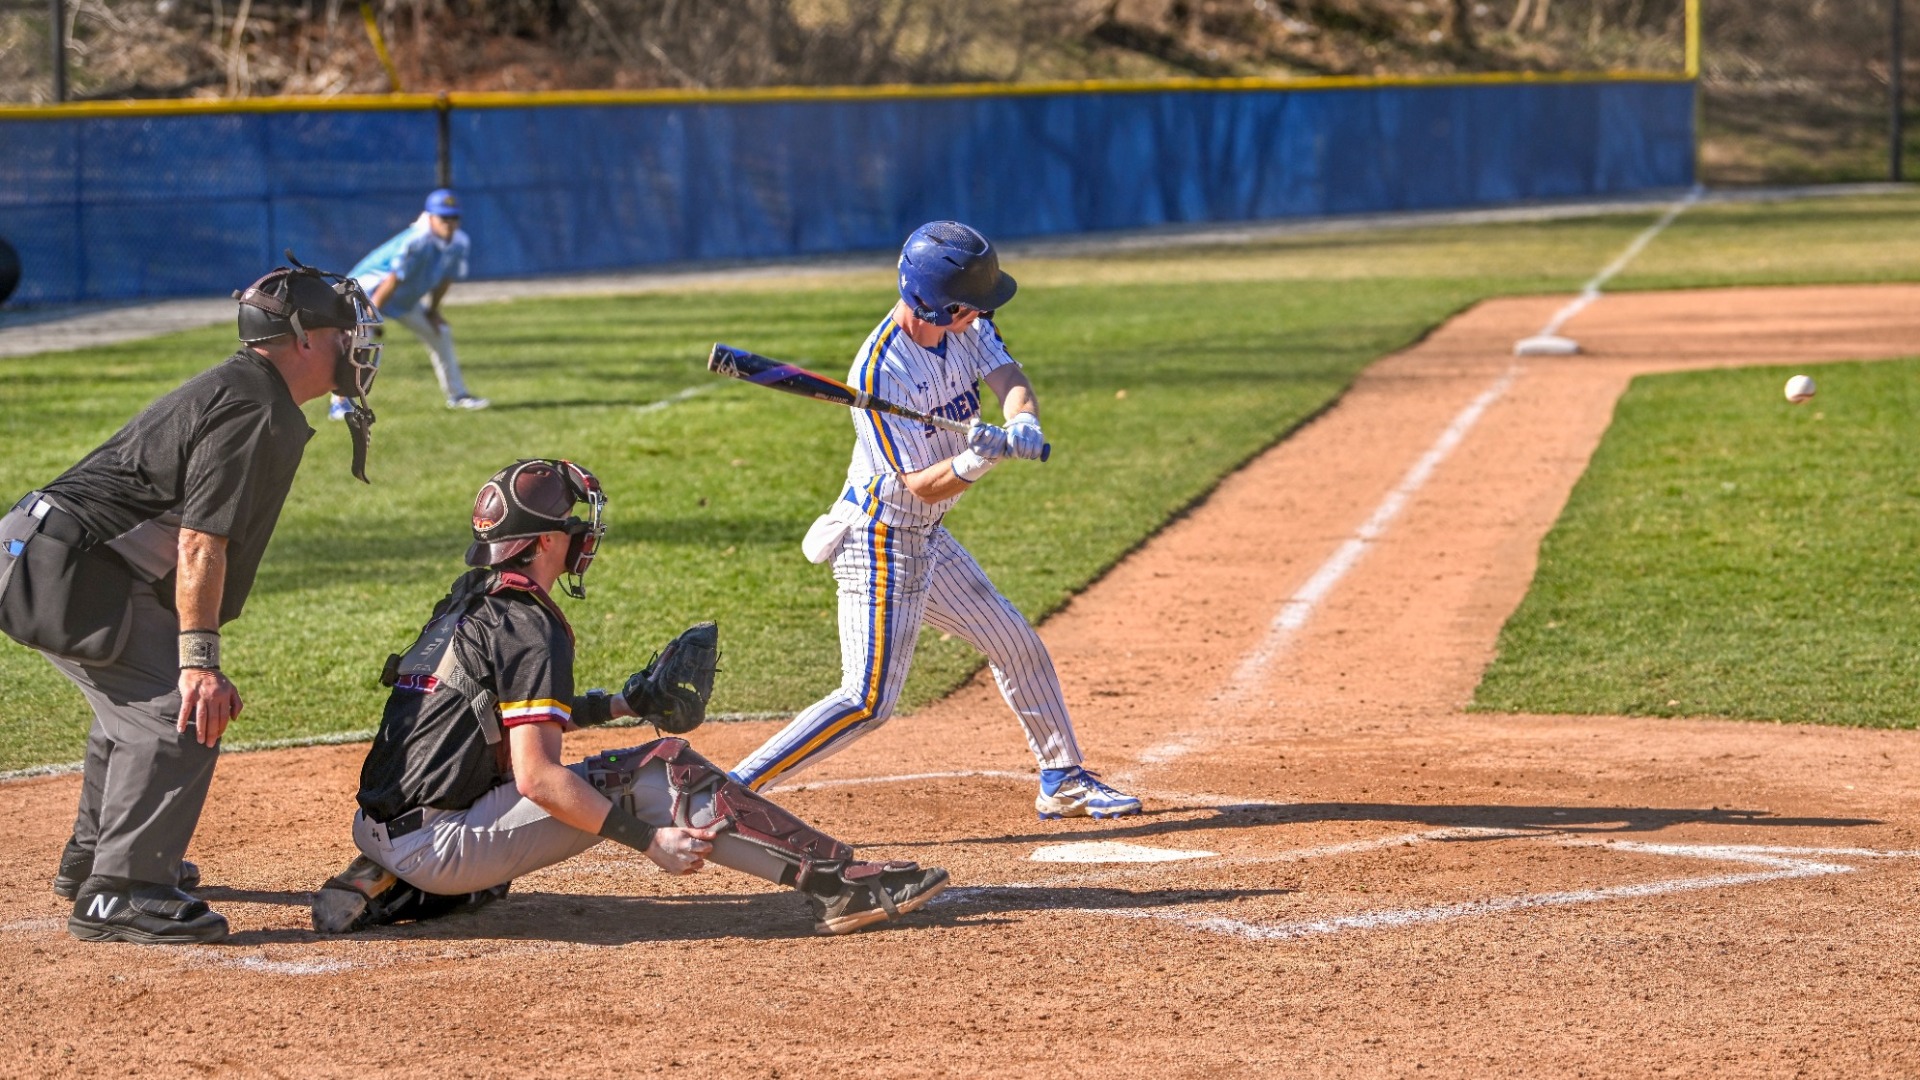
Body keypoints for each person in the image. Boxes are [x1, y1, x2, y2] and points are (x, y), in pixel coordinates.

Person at [310, 459, 949, 937]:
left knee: (582, 764)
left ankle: (396, 885)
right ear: (548, 540)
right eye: (575, 523)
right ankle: (837, 884)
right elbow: (537, 778)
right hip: (442, 842)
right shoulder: (531, 625)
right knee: (660, 769)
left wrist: (621, 702)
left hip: (383, 826)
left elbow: (497, 715)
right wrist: (647, 842)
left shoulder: (471, 599)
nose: (587, 533)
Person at [0, 259, 383, 945]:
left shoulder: (251, 393)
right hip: (63, 568)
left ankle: (98, 856)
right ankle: (120, 894)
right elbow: (202, 543)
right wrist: (199, 662)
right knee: (176, 714)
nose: (353, 343)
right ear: (300, 340)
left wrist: (186, 654)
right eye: (340, 332)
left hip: (67, 560)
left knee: (142, 702)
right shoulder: (251, 406)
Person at [729, 221, 1142, 821]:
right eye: (972, 307)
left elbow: (1009, 379)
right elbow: (918, 485)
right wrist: (977, 458)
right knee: (866, 699)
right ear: (938, 304)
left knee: (1017, 645)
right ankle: (725, 788)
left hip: (927, 535)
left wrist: (1022, 422)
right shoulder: (879, 373)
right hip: (878, 540)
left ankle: (1063, 779)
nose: (982, 316)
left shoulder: (968, 324)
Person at [332, 188, 487, 416]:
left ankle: (458, 395)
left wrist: (433, 311)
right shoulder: (416, 240)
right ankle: (340, 403)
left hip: (402, 299)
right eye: (444, 217)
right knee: (362, 340)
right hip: (368, 294)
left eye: (454, 217)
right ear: (430, 217)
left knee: (441, 332)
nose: (450, 223)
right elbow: (391, 280)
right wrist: (371, 315)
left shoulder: (459, 243)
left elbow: (445, 279)